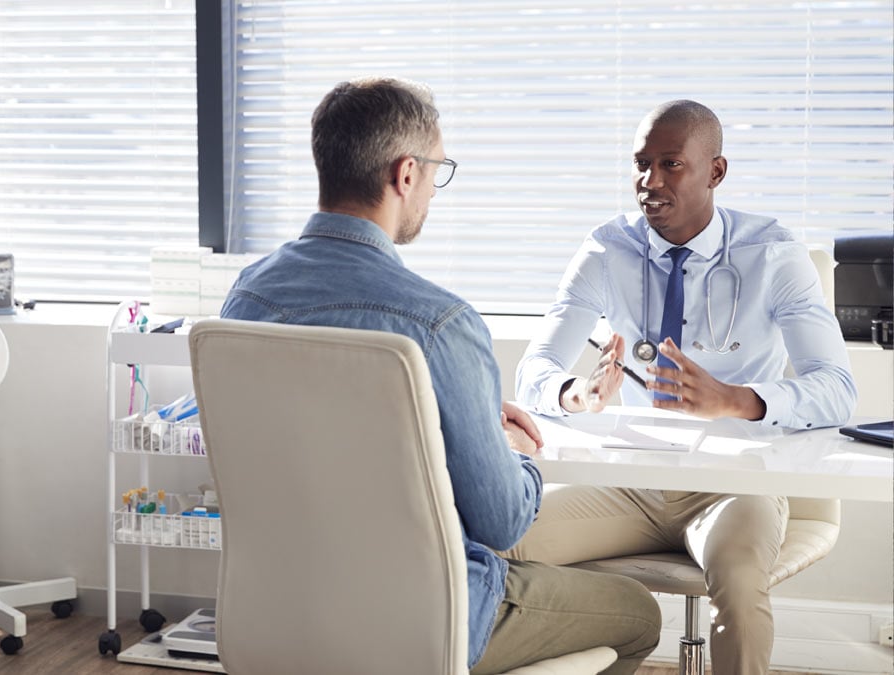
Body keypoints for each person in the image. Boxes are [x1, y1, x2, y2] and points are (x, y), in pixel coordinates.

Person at [219, 76, 660, 674]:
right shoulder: (439, 323)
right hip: (430, 619)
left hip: (282, 610)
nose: (433, 188)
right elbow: (502, 521)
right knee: (638, 616)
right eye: (436, 171)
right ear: (405, 174)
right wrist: (508, 448)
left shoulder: (246, 300)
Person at [514, 99, 857, 673]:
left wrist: (735, 400)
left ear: (715, 172)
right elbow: (534, 372)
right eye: (641, 164)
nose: (649, 182)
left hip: (736, 483)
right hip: (632, 485)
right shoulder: (606, 249)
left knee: (742, 589)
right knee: (497, 542)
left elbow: (837, 390)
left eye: (670, 164)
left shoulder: (772, 253)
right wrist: (579, 394)